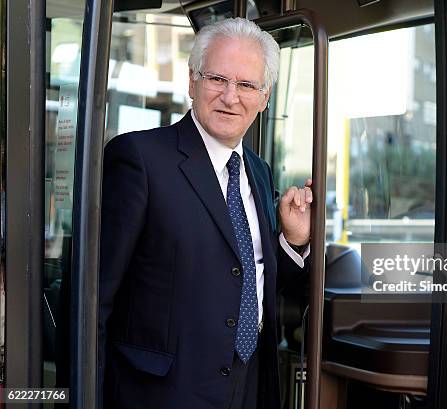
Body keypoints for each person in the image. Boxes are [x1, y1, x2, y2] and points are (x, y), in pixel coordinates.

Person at [98, 17, 312, 409]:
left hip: (247, 384)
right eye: (217, 79)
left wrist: (294, 240)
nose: (231, 97)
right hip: (160, 393)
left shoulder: (259, 174)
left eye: (247, 85)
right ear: (193, 81)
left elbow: (246, 277)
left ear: (264, 98)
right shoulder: (139, 159)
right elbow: (94, 299)